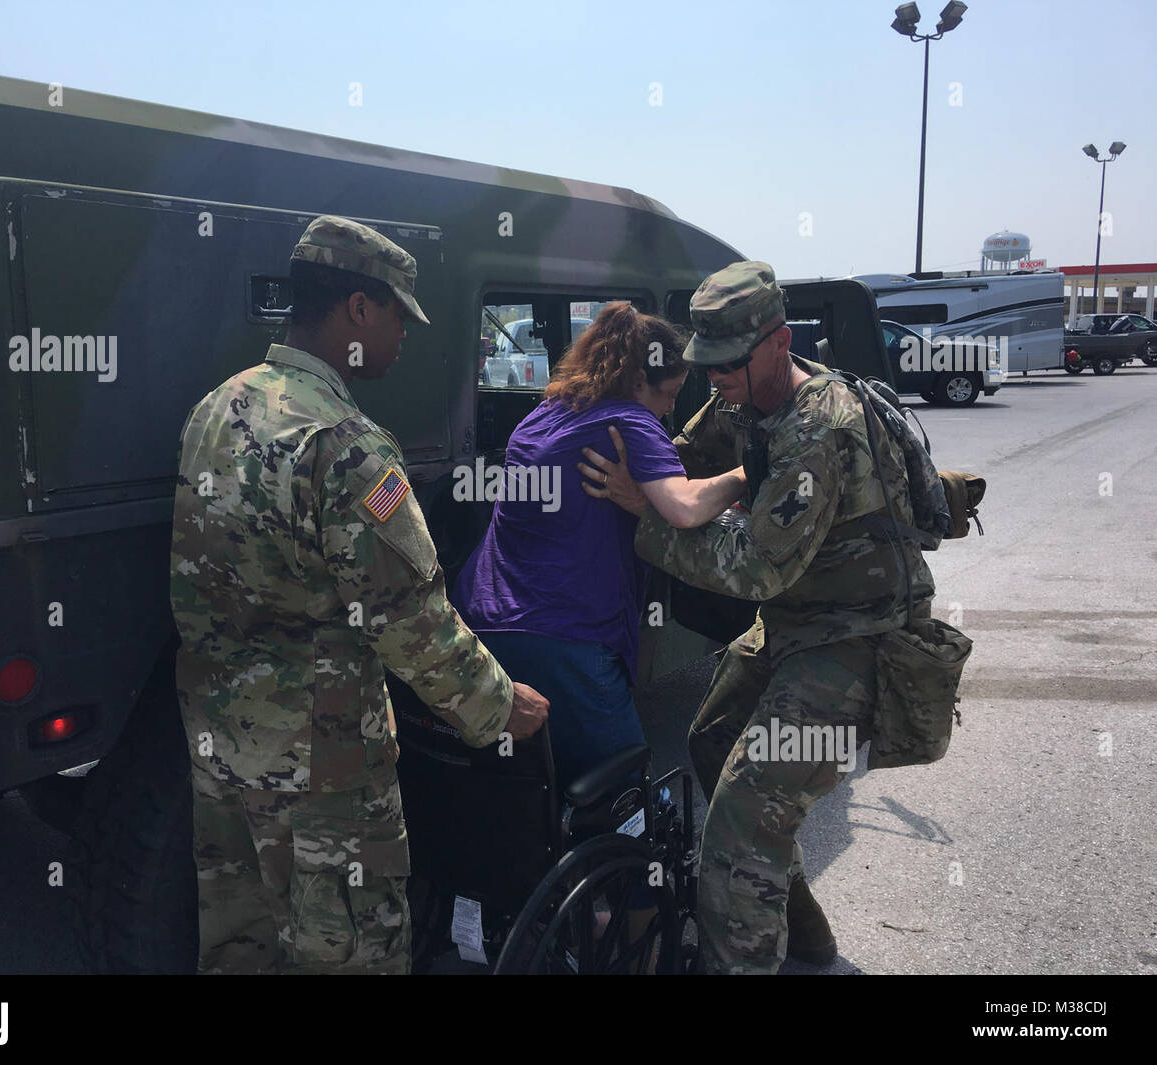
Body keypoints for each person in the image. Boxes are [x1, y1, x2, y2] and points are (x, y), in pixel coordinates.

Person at [170, 215, 548, 975]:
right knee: (350, 952)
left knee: (237, 949)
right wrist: (502, 706)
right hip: (324, 774)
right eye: (398, 316)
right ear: (357, 309)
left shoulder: (215, 408)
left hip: (221, 750)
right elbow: (412, 623)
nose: (403, 338)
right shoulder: (345, 444)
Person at [581, 261, 935, 974]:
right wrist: (635, 463)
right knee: (711, 743)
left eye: (728, 364)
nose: (715, 380)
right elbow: (680, 460)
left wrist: (646, 512)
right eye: (703, 364)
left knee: (741, 825)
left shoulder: (818, 429)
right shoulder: (742, 395)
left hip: (859, 637)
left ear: (779, 341)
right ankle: (805, 943)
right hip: (796, 621)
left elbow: (753, 564)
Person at [453, 302, 746, 790]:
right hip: (568, 639)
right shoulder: (631, 422)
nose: (672, 407)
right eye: (670, 394)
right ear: (637, 382)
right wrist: (746, 472)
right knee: (624, 787)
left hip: (482, 625)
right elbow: (685, 509)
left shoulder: (544, 414)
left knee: (522, 784)